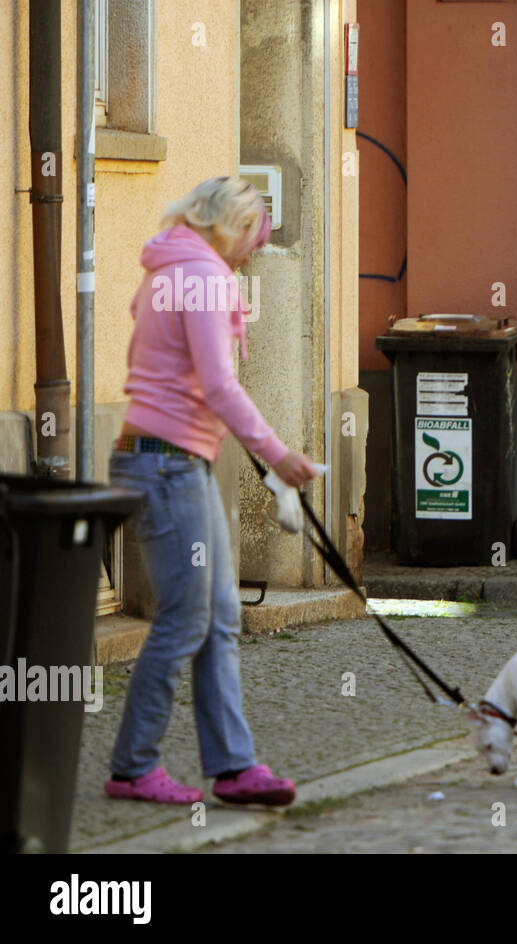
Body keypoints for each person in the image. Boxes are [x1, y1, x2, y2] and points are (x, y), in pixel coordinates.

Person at [105, 177, 319, 805]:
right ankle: (134, 767)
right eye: (254, 234)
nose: (253, 250)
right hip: (168, 467)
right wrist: (278, 455)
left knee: (220, 616)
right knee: (186, 620)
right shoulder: (204, 276)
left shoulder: (167, 267)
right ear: (229, 225)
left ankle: (233, 767)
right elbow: (219, 384)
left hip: (163, 461)